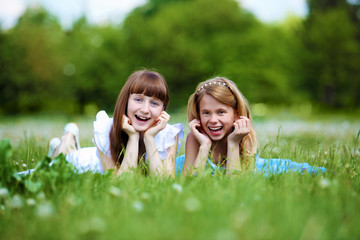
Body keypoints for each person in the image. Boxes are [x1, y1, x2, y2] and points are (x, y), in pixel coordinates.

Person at [23, 70, 184, 177]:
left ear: (164, 108)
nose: (145, 109)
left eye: (154, 103)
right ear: (126, 101)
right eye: (138, 99)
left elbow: (164, 185)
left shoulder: (168, 135)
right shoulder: (106, 128)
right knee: (52, 168)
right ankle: (67, 139)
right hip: (82, 163)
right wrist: (133, 137)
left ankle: (66, 143)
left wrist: (149, 138)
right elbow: (121, 185)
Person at [175, 77, 326, 176]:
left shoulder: (241, 135)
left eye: (221, 112)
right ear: (198, 115)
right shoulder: (195, 139)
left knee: (298, 170)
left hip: (254, 168)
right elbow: (190, 184)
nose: (213, 120)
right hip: (188, 163)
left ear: (235, 113)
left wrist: (233, 142)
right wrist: (204, 146)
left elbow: (234, 186)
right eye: (206, 113)